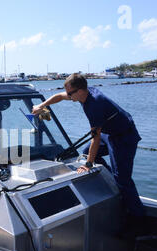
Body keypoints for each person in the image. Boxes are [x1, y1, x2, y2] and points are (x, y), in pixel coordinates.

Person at [32, 73, 146, 221]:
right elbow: (59, 96)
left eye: (69, 93)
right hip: (110, 132)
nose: (67, 95)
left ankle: (139, 218)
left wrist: (88, 164)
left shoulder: (95, 105)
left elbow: (95, 138)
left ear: (79, 91)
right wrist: (42, 105)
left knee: (123, 179)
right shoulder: (82, 94)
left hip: (123, 137)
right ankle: (115, 182)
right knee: (87, 152)